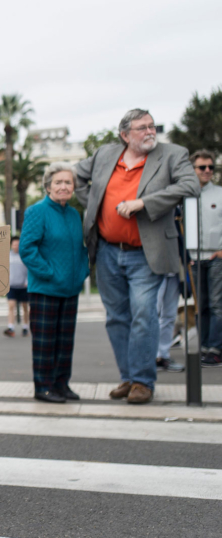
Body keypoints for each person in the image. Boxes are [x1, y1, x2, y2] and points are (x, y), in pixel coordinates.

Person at [75, 109, 200, 404]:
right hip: (107, 251)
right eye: (141, 128)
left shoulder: (173, 154)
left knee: (144, 315)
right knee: (117, 318)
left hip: (147, 253)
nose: (149, 132)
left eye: (151, 126)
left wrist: (143, 202)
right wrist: (93, 204)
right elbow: (77, 175)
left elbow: (190, 185)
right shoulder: (106, 154)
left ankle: (144, 381)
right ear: (125, 135)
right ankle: (128, 377)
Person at [20, 163, 90, 403]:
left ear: (73, 187)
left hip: (70, 289)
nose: (63, 186)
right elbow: (27, 249)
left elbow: (80, 249)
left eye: (68, 182)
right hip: (45, 289)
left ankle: (62, 384)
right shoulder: (37, 211)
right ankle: (43, 387)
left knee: (65, 341)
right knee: (45, 342)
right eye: (58, 182)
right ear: (48, 186)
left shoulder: (73, 213)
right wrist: (49, 273)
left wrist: (83, 271)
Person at [189, 150, 222, 367]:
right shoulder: (186, 196)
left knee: (217, 303)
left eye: (211, 167)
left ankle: (215, 348)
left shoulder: (220, 194)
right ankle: (204, 346)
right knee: (201, 305)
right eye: (202, 167)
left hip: (216, 256)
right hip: (194, 257)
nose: (207, 170)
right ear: (193, 169)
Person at [4, 236, 30, 337]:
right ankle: (11, 327)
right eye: (14, 244)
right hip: (12, 286)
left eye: (18, 244)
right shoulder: (7, 256)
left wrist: (27, 281)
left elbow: (29, 269)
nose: (16, 246)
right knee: (11, 306)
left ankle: (25, 327)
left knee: (25, 308)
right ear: (11, 245)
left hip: (23, 286)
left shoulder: (24, 256)